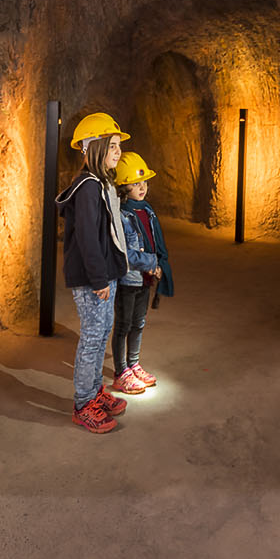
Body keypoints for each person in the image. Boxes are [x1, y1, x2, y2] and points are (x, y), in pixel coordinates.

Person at [55, 112, 132, 434]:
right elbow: (87, 238)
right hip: (92, 279)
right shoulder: (87, 187)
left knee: (101, 334)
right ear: (95, 148)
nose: (118, 151)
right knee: (92, 338)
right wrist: (99, 279)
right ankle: (83, 404)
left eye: (118, 145)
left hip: (103, 274)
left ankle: (95, 391)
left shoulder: (101, 183)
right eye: (112, 145)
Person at [111, 152, 168, 393]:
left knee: (139, 323)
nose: (142, 187)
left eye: (144, 182)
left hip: (144, 279)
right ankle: (121, 372)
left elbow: (153, 243)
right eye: (135, 184)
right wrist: (152, 263)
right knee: (123, 325)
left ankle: (133, 364)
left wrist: (157, 265)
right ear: (123, 187)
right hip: (129, 279)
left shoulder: (147, 211)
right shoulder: (122, 216)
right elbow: (125, 253)